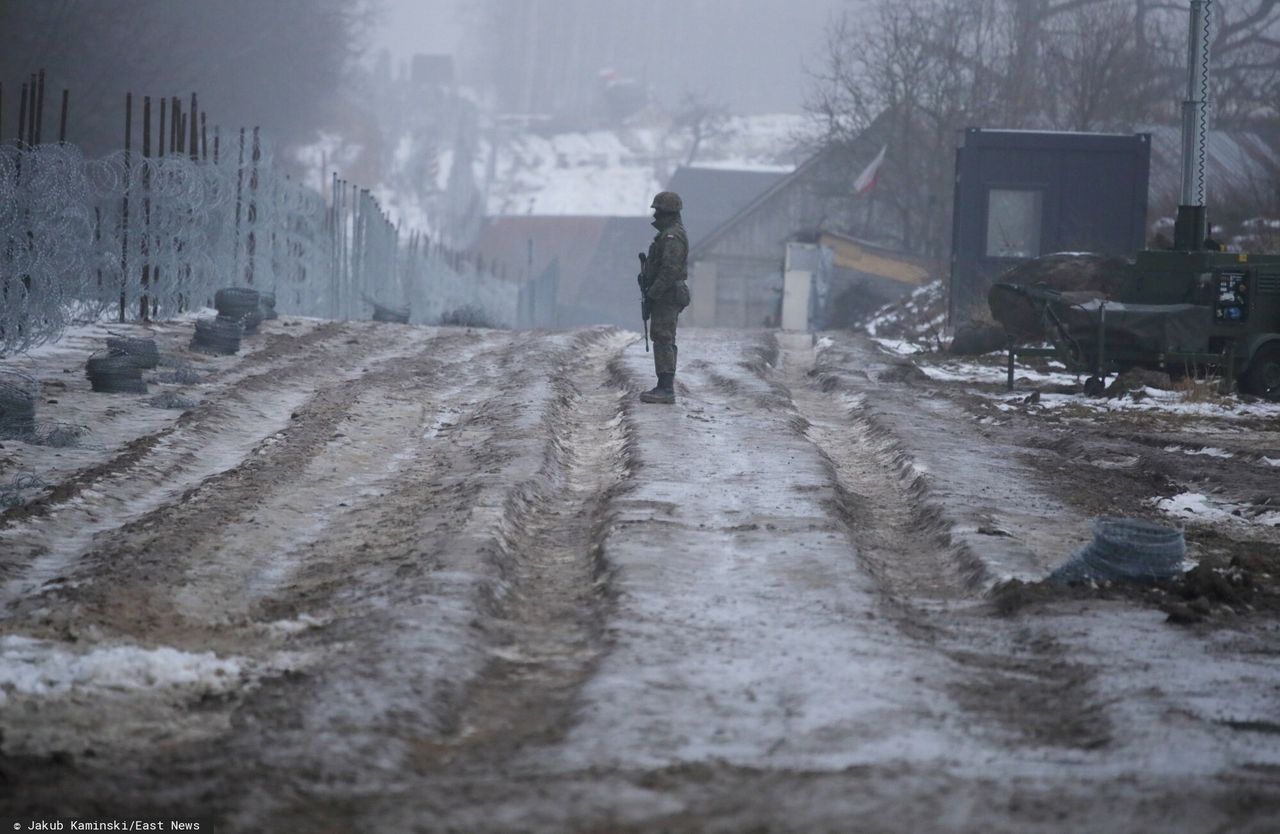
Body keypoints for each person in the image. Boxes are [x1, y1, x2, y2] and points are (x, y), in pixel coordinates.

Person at [638, 191, 691, 404]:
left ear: (667, 212)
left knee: (663, 336)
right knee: (663, 336)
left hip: (668, 295)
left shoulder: (672, 236)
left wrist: (653, 293)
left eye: (658, 211)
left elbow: (669, 270)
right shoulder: (668, 234)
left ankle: (666, 388)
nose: (655, 216)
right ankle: (664, 384)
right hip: (665, 293)